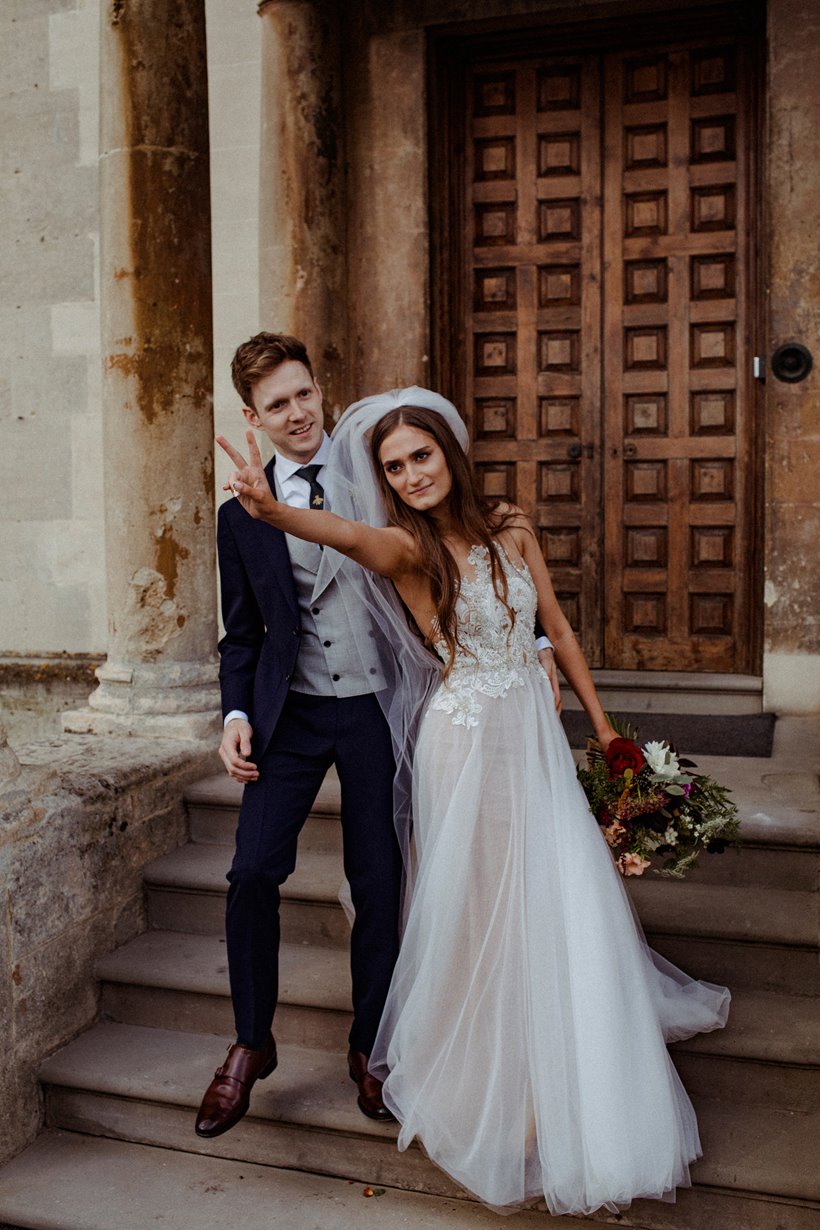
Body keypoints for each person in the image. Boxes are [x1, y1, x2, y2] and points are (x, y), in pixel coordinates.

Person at [218, 386, 730, 1217]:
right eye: (393, 466)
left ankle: (576, 1058)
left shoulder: (514, 527)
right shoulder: (403, 548)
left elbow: (557, 630)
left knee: (561, 889)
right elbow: (340, 531)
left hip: (531, 737)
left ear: (448, 453)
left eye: (421, 456)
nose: (412, 475)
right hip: (463, 740)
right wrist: (272, 511)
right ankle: (503, 1089)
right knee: (488, 903)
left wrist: (607, 736)